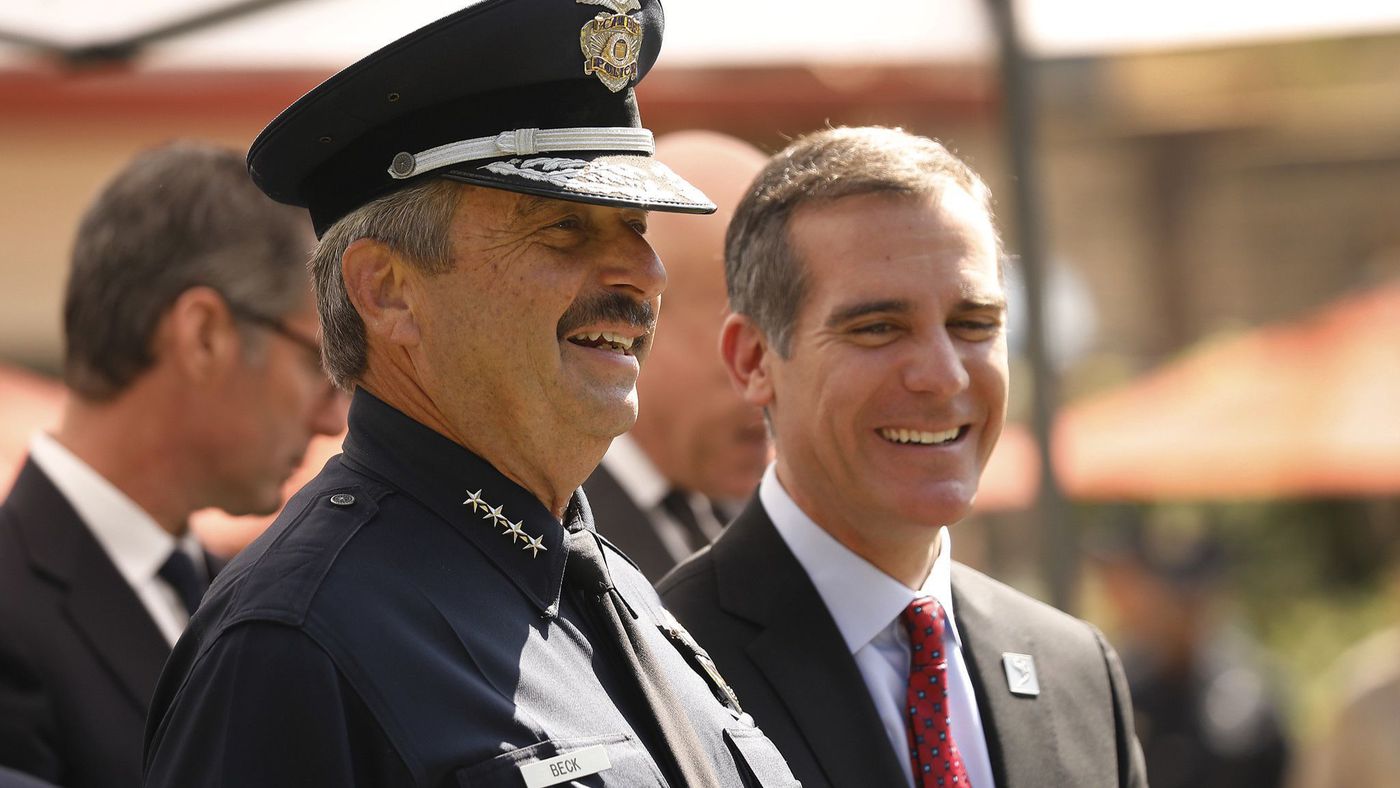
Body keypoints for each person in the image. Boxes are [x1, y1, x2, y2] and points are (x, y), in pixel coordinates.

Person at [142, 2, 799, 786]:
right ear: (386, 291)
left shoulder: (607, 584)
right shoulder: (296, 641)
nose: (643, 275)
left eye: (636, 227)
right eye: (565, 229)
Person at [658, 126, 1149, 788]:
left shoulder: (1075, 672)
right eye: (878, 328)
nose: (944, 376)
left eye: (975, 324)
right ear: (754, 360)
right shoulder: (659, 670)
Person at [0, 142, 346, 788]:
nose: (333, 419)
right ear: (204, 334)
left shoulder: (236, 593)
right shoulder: (12, 613)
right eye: (318, 366)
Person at [584, 131, 770, 582]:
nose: (773, 387)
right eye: (754, 347)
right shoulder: (550, 534)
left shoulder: (753, 528)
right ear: (641, 316)